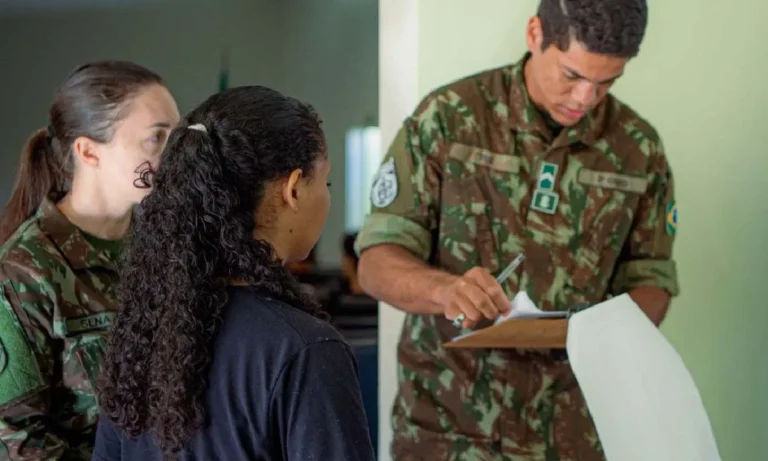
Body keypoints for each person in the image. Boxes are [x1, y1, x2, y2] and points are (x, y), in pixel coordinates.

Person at [355, 0, 678, 459]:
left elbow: (651, 280)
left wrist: (607, 331)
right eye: (572, 75)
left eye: (606, 82)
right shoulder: (448, 119)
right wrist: (447, 291)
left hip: (575, 430)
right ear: (534, 34)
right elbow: (376, 262)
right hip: (450, 428)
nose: (585, 98)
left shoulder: (637, 149)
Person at [93, 86, 376, 461]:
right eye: (324, 182)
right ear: (292, 189)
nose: (326, 195)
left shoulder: (143, 331)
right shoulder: (305, 348)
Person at [0, 61, 179, 460]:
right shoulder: (25, 271)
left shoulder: (168, 251)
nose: (176, 155)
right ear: (88, 151)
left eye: (177, 137)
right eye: (157, 138)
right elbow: (15, 441)